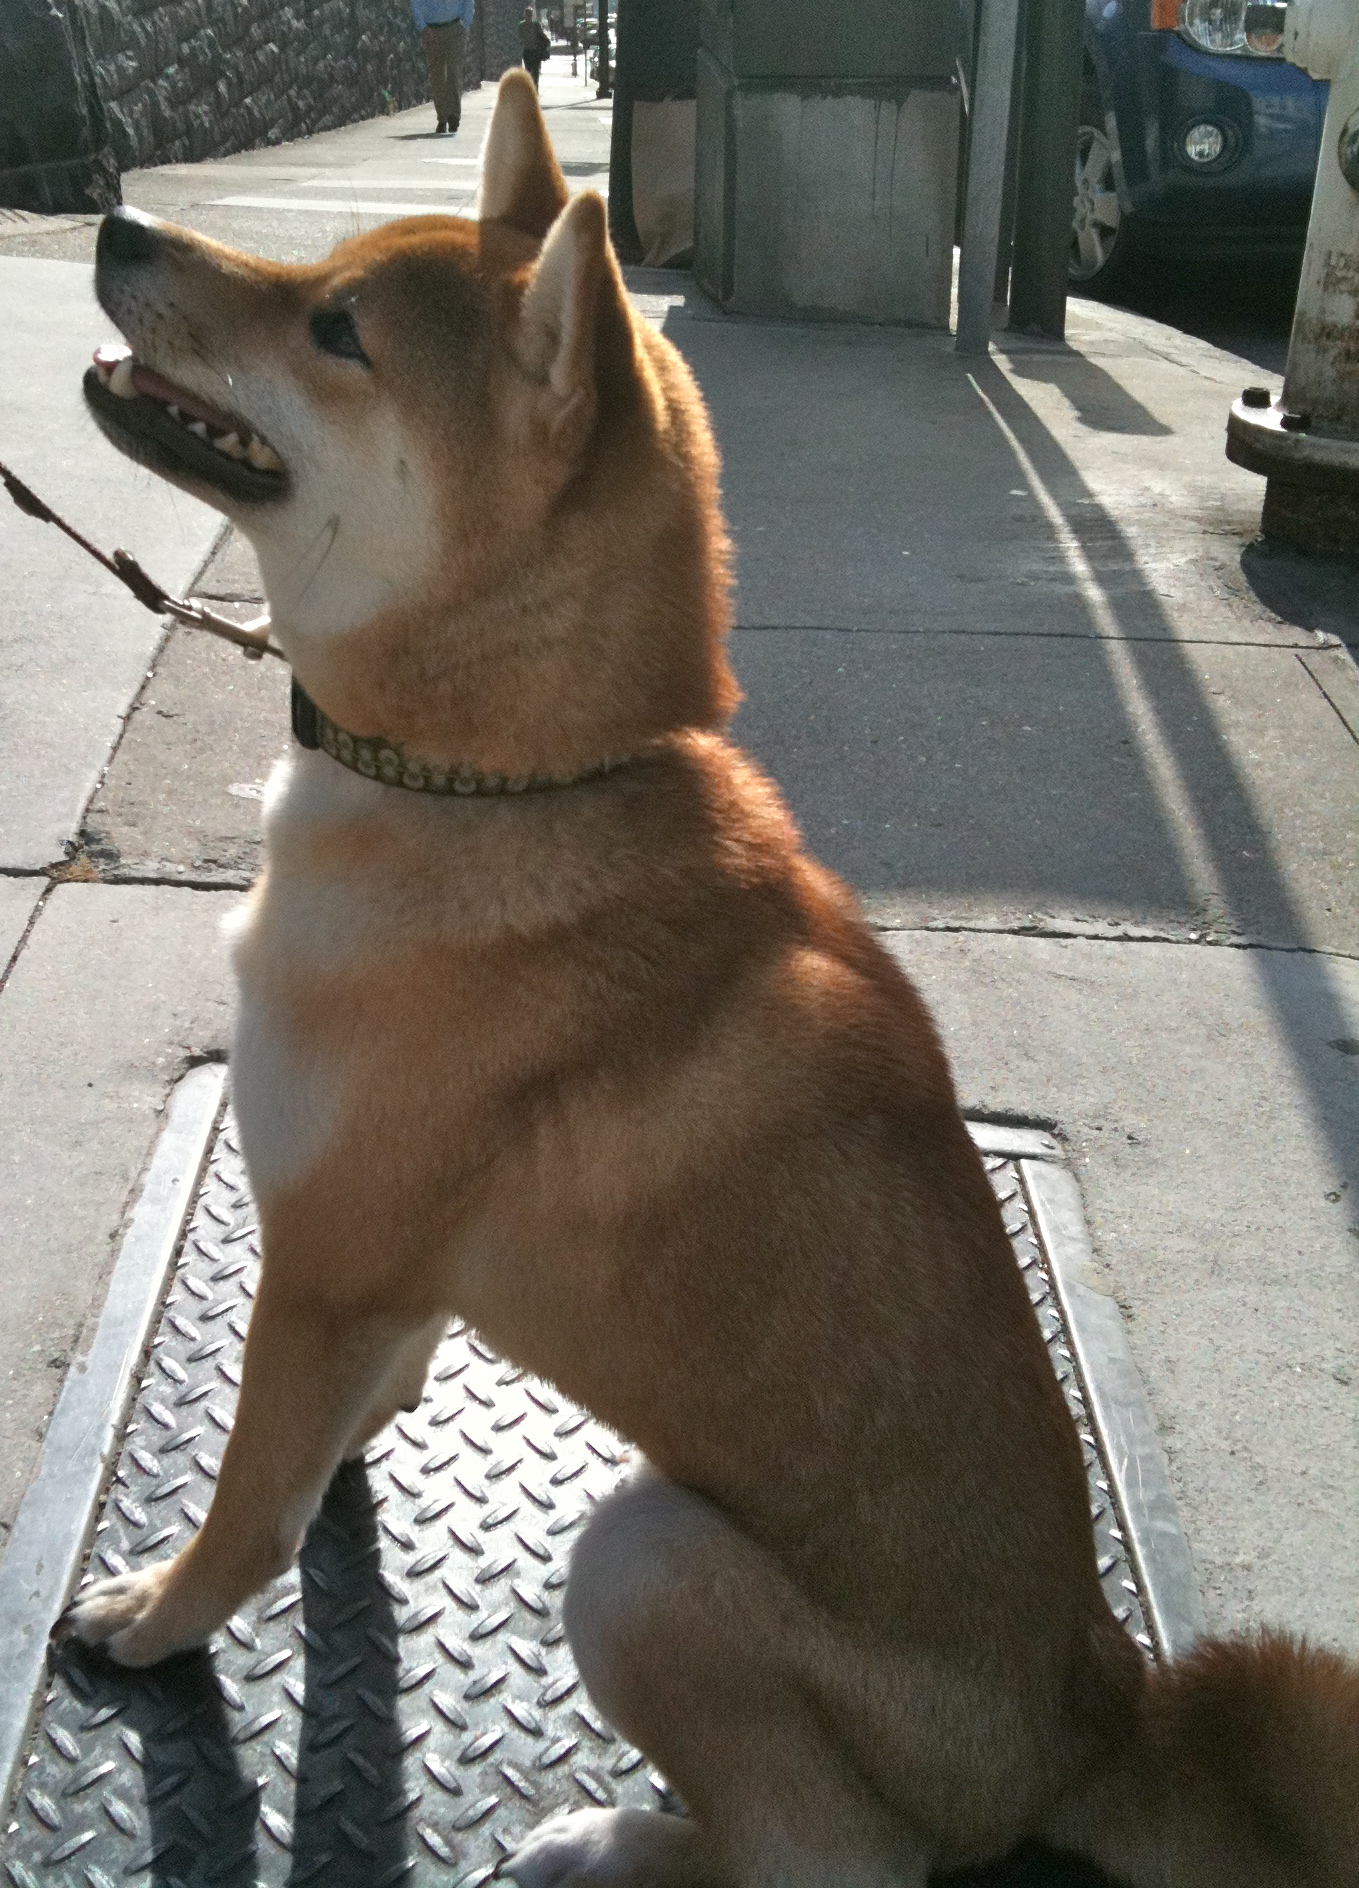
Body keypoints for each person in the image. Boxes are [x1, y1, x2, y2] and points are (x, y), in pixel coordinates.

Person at [409, 0, 475, 135]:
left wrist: (465, 24)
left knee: (453, 72)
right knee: (437, 76)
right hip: (432, 31)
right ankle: (442, 118)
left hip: (455, 29)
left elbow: (468, 2)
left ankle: (454, 116)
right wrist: (422, 27)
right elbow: (416, 3)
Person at [518, 6, 551, 92]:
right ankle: (535, 89)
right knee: (535, 72)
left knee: (527, 70)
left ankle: (528, 90)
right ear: (532, 14)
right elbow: (541, 35)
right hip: (536, 51)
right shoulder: (536, 23)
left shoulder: (521, 25)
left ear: (525, 14)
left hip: (526, 51)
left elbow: (520, 37)